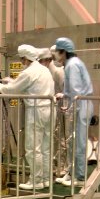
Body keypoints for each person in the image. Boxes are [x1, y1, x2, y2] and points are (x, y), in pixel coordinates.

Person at [0, 44, 55, 190]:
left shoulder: (28, 72)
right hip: (49, 109)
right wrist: (11, 81)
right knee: (45, 147)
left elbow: (11, 90)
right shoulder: (44, 70)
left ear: (24, 58)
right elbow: (28, 85)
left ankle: (36, 181)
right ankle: (45, 179)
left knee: (33, 148)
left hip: (36, 111)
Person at [53, 37, 93, 188]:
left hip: (81, 105)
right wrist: (65, 95)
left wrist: (69, 103)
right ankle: (73, 173)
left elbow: (76, 90)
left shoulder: (72, 65)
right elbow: (73, 90)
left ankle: (80, 176)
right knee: (73, 142)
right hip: (78, 104)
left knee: (79, 142)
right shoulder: (72, 64)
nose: (56, 55)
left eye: (57, 51)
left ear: (63, 52)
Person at [37, 47, 67, 177]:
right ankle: (56, 166)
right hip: (53, 107)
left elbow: (67, 90)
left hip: (64, 107)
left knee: (63, 138)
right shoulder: (46, 72)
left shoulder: (59, 72)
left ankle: (63, 167)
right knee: (54, 139)